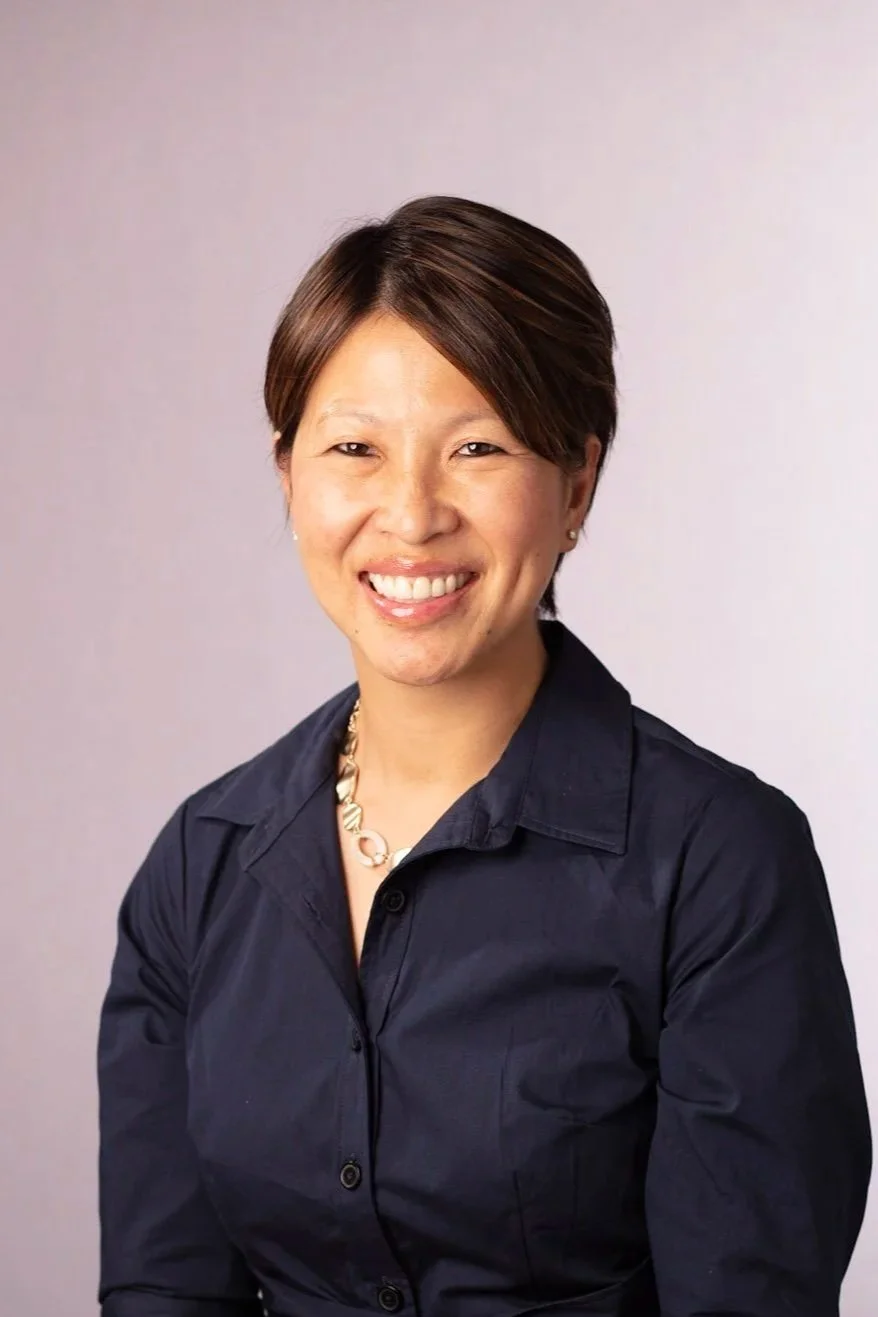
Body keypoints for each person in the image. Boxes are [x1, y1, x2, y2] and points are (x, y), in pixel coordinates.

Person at [97, 195, 871, 1317]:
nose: (409, 516)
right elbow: (165, 1293)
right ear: (287, 477)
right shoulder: (200, 865)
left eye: (477, 448)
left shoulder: (717, 862)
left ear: (576, 486)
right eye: (354, 449)